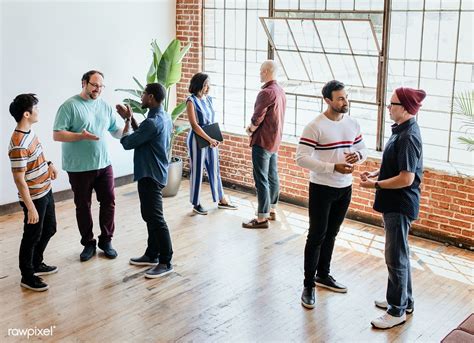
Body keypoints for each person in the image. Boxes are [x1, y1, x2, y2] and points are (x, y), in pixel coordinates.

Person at [296, 80, 368, 309]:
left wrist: (359, 157)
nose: (345, 101)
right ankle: (308, 285)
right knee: (316, 235)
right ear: (327, 100)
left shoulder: (353, 123)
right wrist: (332, 167)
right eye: (340, 98)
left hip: (345, 188)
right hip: (321, 188)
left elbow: (362, 149)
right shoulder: (315, 126)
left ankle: (323, 275)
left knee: (332, 234)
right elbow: (301, 158)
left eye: (346, 97)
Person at [360, 87, 426, 329]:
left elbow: (406, 178)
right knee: (400, 254)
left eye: (392, 104)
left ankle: (396, 310)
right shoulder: (401, 129)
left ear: (406, 108)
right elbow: (394, 165)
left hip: (399, 204)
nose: (388, 108)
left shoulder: (409, 136)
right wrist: (377, 172)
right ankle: (404, 301)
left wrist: (374, 184)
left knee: (395, 257)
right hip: (394, 203)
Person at [53, 70, 122, 261]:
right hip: (79, 167)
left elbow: (116, 132)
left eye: (101, 86)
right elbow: (57, 134)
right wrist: (80, 136)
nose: (98, 89)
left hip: (104, 163)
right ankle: (88, 243)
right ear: (84, 83)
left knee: (109, 201)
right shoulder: (70, 106)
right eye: (94, 85)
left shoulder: (104, 106)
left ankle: (106, 240)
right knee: (83, 205)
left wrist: (128, 122)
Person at [118, 83, 175, 278]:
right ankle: (152, 254)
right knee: (149, 215)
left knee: (156, 219)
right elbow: (143, 134)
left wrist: (126, 123)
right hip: (156, 172)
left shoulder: (152, 122)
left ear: (150, 97)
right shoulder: (163, 116)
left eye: (143, 95)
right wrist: (132, 119)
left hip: (150, 174)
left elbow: (127, 143)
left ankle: (166, 261)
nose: (141, 97)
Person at [8, 94, 58, 291]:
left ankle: (37, 263)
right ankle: (27, 276)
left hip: (46, 189)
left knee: (50, 228)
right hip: (34, 198)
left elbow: (36, 157)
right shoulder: (18, 144)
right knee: (31, 236)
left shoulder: (30, 133)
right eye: (35, 108)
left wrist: (49, 164)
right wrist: (30, 208)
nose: (38, 111)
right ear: (26, 114)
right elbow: (19, 179)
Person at [242, 60, 286, 229]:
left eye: (261, 71)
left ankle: (261, 218)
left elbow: (257, 117)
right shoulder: (280, 90)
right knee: (272, 175)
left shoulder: (266, 92)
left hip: (262, 140)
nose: (260, 73)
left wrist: (250, 129)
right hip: (274, 139)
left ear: (267, 71)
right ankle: (272, 210)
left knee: (261, 179)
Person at [186, 72, 237, 215]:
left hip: (211, 139)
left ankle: (221, 199)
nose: (208, 87)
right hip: (197, 139)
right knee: (197, 171)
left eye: (208, 84)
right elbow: (195, 125)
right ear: (199, 85)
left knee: (215, 169)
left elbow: (211, 120)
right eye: (205, 84)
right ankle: (196, 203)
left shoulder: (208, 100)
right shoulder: (191, 101)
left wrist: (215, 138)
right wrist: (209, 139)